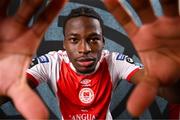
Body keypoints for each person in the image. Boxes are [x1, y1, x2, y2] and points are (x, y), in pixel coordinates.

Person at [0, 0, 179, 119]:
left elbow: (169, 93)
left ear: (103, 42)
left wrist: (172, 79)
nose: (84, 49)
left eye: (93, 39)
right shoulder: (51, 62)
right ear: (64, 44)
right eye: (74, 40)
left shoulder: (114, 61)